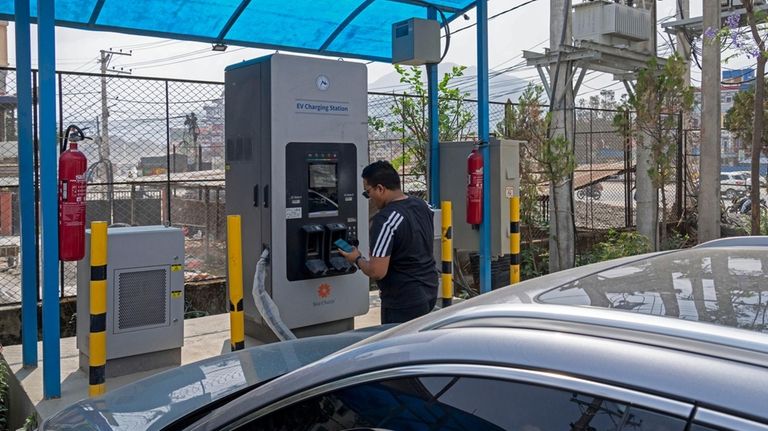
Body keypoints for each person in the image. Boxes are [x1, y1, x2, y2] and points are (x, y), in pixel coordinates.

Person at [339, 161, 438, 324]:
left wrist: (356, 258)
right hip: (429, 290)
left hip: (403, 300)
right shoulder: (422, 205)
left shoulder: (385, 220)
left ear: (380, 188)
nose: (368, 197)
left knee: (398, 347)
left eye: (367, 192)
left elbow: (377, 271)